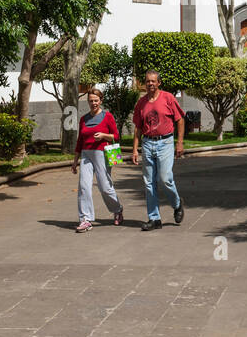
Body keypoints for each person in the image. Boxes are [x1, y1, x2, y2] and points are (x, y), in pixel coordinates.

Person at [131, 70, 185, 231]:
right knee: (149, 183)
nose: (150, 84)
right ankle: (154, 219)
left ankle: (177, 204)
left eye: (153, 81)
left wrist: (180, 142)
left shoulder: (168, 98)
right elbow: (138, 128)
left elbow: (180, 120)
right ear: (144, 83)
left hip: (165, 142)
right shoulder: (141, 103)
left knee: (165, 178)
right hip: (147, 143)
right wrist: (135, 149)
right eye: (148, 81)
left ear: (159, 83)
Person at [72, 87, 124, 233]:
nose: (93, 103)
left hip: (102, 153)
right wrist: (75, 161)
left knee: (105, 187)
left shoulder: (108, 116)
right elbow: (79, 141)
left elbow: (116, 136)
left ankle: (118, 209)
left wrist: (103, 136)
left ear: (101, 101)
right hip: (86, 155)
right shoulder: (84, 119)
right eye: (91, 101)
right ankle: (86, 219)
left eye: (96, 100)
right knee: (83, 186)